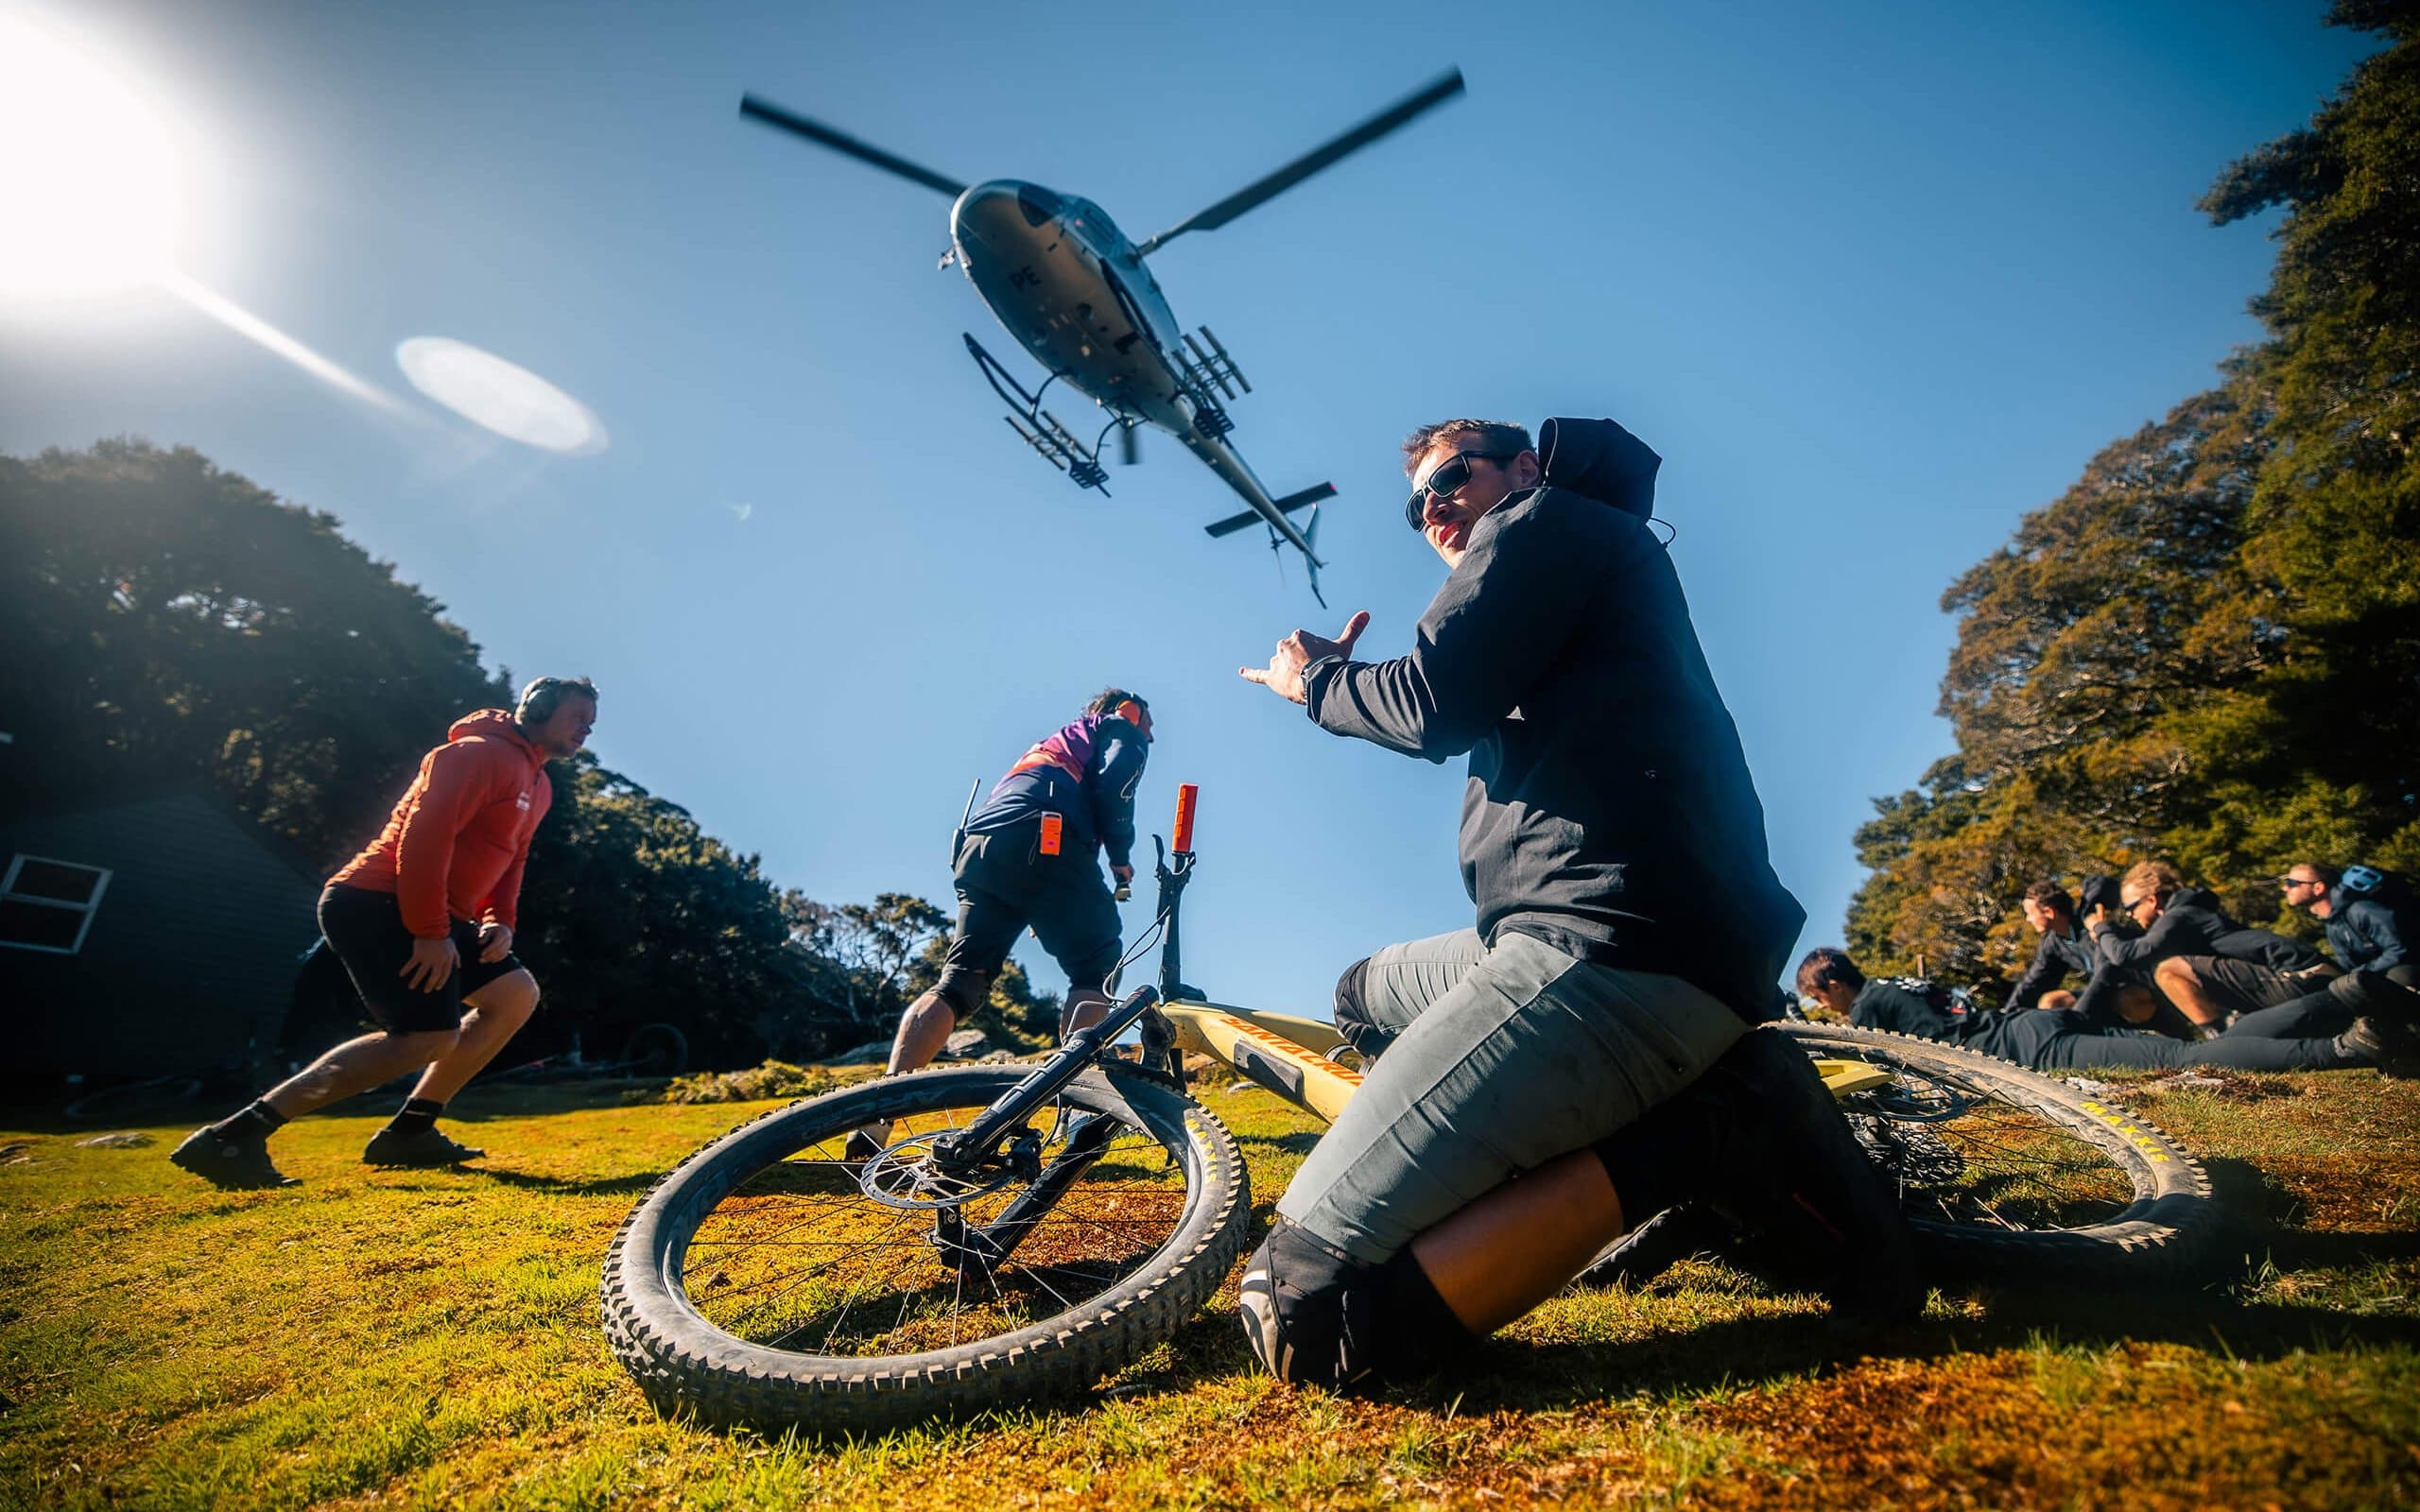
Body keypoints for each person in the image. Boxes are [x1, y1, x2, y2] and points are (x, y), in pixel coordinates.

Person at [1232, 415, 1917, 1391]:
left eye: (1451, 478)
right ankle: (1502, 1159)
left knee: (1306, 1314)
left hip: (1605, 949)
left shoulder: (1544, 521)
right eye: (1416, 505)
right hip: (1569, 935)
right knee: (1360, 995)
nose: (1433, 509)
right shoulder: (1566, 569)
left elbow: (1429, 705)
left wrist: (1314, 682)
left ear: (1523, 467)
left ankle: (1707, 1133)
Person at [170, 677, 597, 1189]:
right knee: (426, 1039)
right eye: (577, 718)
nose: (585, 730)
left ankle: (410, 1132)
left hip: (440, 915)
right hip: (375, 903)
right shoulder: (476, 754)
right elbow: (423, 837)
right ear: (539, 708)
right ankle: (233, 1137)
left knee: (514, 995)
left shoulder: (539, 785)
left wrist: (499, 921)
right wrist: (430, 931)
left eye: (590, 723)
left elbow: (513, 859)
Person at [850, 689, 1151, 1160]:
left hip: (981, 849)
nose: (1151, 735)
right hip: (1046, 835)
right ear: (1126, 711)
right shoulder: (1117, 727)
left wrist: (1037, 896)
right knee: (1097, 969)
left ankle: (875, 1118)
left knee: (958, 983)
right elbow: (1116, 784)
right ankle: (1078, 1107)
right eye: (1149, 724)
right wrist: (1120, 858)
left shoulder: (1048, 749)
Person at [1795, 946, 2406, 1074]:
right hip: (2033, 1025)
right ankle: (2344, 996)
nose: (1825, 1008)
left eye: (1820, 998)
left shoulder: (1871, 1007)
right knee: (2195, 1050)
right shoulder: (1895, 982)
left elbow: (1929, 1058)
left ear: (1834, 986)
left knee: (2190, 1062)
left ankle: (2346, 1049)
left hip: (2029, 1049)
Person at [2086, 861, 2336, 1037]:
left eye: (2131, 907)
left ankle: (2222, 1043)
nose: (2130, 915)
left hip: (2304, 978)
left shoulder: (2179, 916)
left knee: (2169, 970)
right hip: (2309, 981)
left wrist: (2101, 928)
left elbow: (2125, 955)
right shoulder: (2188, 915)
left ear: (2152, 900)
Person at [2284, 860, 2420, 1026]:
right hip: (2380, 973)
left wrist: (2360, 973)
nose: (2285, 889)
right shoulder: (2333, 923)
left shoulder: (2361, 909)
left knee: (2400, 976)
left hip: (2407, 969)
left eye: (2292, 883)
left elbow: (2400, 950)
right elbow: (2349, 967)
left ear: (2318, 888)